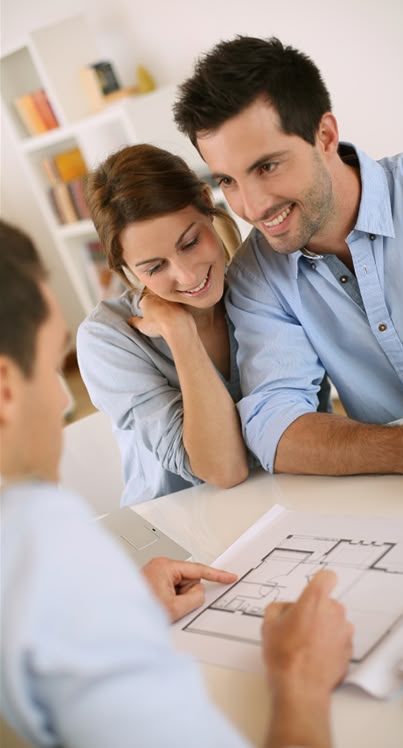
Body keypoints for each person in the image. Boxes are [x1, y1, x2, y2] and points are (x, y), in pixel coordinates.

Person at [0, 220, 353, 748]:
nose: (62, 402)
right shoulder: (49, 556)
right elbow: (224, 468)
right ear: (5, 390)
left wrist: (119, 610)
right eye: (53, 368)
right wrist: (301, 676)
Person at [173, 35, 403, 487]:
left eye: (267, 167)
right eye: (228, 180)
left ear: (324, 135)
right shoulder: (255, 275)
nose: (252, 206)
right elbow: (273, 426)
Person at [77, 143, 332, 505]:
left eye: (190, 242)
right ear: (126, 269)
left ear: (205, 201)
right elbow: (223, 470)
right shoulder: (107, 338)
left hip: (296, 498)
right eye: (155, 267)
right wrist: (180, 334)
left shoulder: (266, 283)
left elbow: (311, 423)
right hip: (182, 523)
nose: (187, 275)